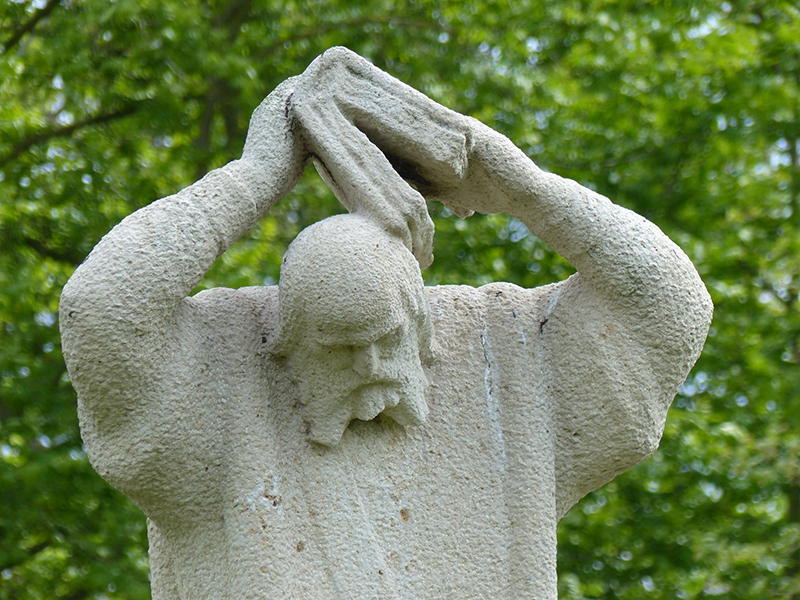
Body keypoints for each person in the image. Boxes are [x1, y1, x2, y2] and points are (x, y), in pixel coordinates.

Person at [59, 48, 712, 600]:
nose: (369, 367)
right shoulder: (218, 382)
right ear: (287, 340)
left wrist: (513, 184)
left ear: (422, 327)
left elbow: (668, 303)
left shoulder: (508, 357)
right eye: (340, 349)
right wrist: (254, 177)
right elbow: (105, 306)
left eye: (385, 342)